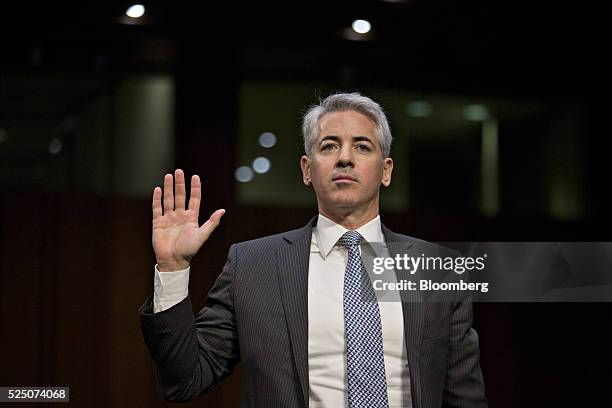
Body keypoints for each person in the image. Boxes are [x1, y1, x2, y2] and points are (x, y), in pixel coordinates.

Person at [139, 92, 487, 408]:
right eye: (329, 146)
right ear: (307, 169)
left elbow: (465, 398)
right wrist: (172, 267)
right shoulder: (253, 266)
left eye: (363, 146)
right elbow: (184, 380)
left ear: (386, 170)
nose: (345, 158)